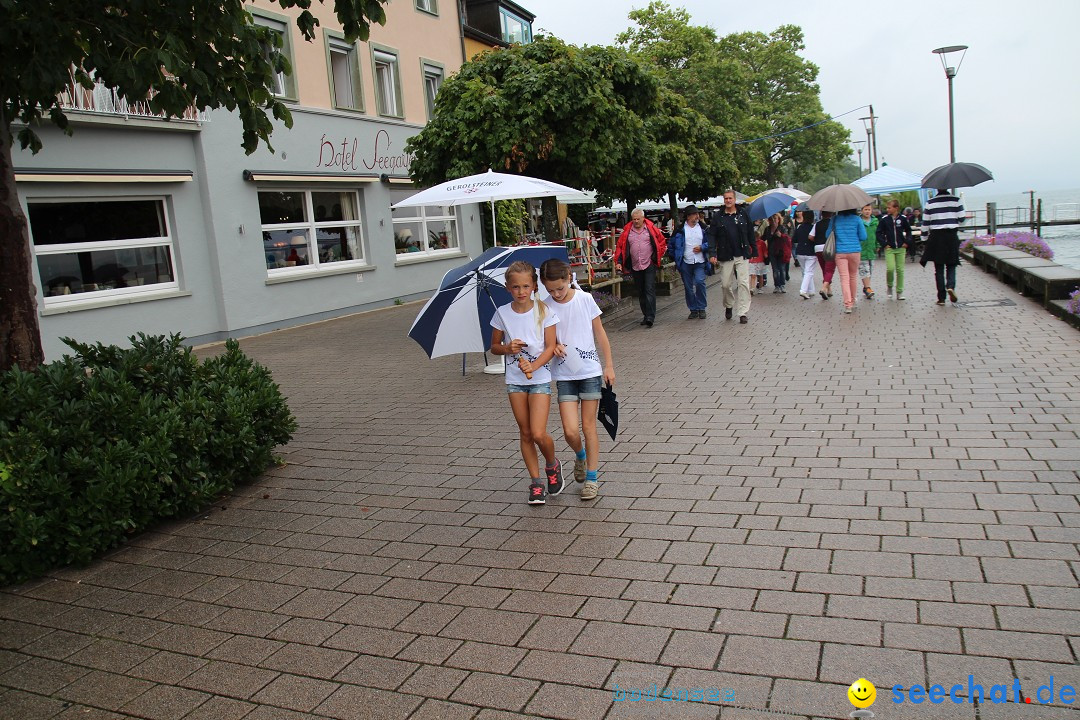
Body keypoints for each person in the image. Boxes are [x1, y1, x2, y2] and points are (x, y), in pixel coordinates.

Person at [540, 259, 615, 501]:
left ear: (569, 277)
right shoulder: (545, 307)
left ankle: (592, 479)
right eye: (550, 290)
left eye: (560, 288)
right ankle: (580, 455)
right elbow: (544, 340)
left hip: (590, 371)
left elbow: (600, 333)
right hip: (564, 374)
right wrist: (554, 346)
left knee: (589, 427)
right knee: (570, 431)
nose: (556, 294)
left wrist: (609, 365)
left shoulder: (584, 300)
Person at [489, 261, 562, 505]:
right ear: (508, 288)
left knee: (540, 433)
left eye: (526, 286)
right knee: (526, 433)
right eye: (515, 287)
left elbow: (551, 346)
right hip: (515, 381)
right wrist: (507, 348)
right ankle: (536, 482)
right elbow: (494, 347)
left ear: (534, 286)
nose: (521, 291)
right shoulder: (501, 313)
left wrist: (535, 365)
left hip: (539, 379)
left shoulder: (544, 311)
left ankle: (552, 465)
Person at [614, 208, 667, 328]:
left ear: (643, 218)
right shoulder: (627, 231)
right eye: (634, 219)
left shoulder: (651, 229)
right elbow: (620, 247)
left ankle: (650, 317)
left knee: (649, 289)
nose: (636, 221)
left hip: (649, 263)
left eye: (638, 219)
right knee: (641, 291)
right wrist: (619, 262)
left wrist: (657, 256)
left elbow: (661, 242)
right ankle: (645, 315)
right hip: (635, 265)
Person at [708, 189, 755, 324]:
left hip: (741, 253)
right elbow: (712, 235)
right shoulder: (718, 216)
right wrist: (712, 253)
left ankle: (742, 312)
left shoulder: (743, 214)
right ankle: (729, 305)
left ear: (735, 199)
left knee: (743, 283)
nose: (728, 201)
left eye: (730, 198)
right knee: (725, 284)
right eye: (726, 198)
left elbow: (750, 232)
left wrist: (754, 249)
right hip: (725, 254)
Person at [920, 188, 965, 305]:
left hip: (936, 237)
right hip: (951, 236)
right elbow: (962, 220)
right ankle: (950, 286)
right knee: (951, 265)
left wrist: (924, 238)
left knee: (938, 268)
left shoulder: (930, 203)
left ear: (937, 189)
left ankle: (941, 298)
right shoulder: (957, 200)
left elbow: (925, 224)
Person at [668, 204, 711, 319]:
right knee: (688, 287)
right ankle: (693, 309)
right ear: (688, 216)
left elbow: (711, 242)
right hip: (685, 262)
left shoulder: (703, 228)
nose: (697, 216)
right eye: (694, 214)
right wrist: (675, 257)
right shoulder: (680, 230)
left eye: (697, 214)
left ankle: (701, 307)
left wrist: (702, 247)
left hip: (700, 261)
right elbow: (671, 244)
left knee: (700, 282)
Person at [824, 208, 867, 314]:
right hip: (854, 251)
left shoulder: (834, 219)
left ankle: (848, 305)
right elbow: (863, 236)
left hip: (840, 252)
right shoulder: (857, 219)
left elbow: (827, 235)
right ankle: (853, 301)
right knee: (853, 276)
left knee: (844, 278)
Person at [876, 199, 913, 300]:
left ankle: (899, 291)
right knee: (890, 268)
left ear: (896, 208)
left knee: (900, 270)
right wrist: (884, 244)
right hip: (890, 248)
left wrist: (907, 242)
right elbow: (878, 232)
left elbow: (909, 231)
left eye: (889, 207)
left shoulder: (903, 218)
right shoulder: (884, 219)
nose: (887, 209)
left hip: (901, 248)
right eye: (887, 208)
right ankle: (889, 286)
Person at [793, 205, 817, 299]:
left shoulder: (799, 227)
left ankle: (811, 290)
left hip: (800, 251)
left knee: (805, 271)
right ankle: (803, 290)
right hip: (811, 252)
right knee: (809, 272)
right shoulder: (814, 227)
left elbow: (794, 239)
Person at [811, 210, 836, 300]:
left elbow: (810, 236)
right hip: (829, 248)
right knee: (829, 270)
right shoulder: (833, 223)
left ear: (821, 214)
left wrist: (817, 239)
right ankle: (824, 288)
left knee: (824, 269)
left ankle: (829, 290)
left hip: (818, 248)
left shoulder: (817, 224)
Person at [765, 213, 792, 293]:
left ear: (779, 219)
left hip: (781, 251)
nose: (773, 220)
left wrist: (781, 235)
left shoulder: (782, 228)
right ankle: (776, 285)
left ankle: (782, 285)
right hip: (772, 251)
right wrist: (771, 234)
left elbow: (787, 238)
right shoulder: (768, 229)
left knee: (782, 269)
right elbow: (765, 238)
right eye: (771, 219)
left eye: (775, 218)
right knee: (775, 270)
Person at [859, 204, 879, 299]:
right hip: (861, 249)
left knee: (870, 270)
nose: (867, 211)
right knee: (864, 269)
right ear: (861, 211)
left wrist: (878, 244)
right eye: (865, 209)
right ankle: (868, 288)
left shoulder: (875, 221)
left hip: (871, 249)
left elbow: (878, 234)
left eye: (869, 210)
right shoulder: (858, 221)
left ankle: (866, 287)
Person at [749, 221, 768, 294]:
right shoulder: (751, 243)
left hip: (760, 261)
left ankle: (760, 287)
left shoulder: (761, 243)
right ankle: (752, 288)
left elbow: (764, 250)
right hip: (752, 261)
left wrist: (765, 254)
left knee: (760, 275)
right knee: (753, 275)